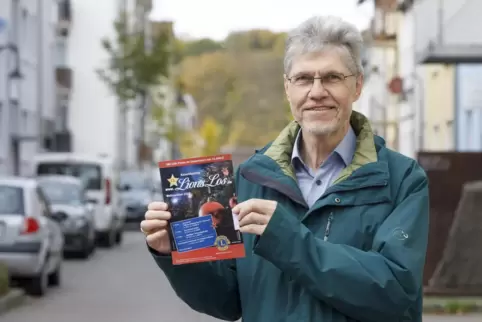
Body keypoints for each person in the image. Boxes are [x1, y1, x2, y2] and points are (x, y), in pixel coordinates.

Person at [140, 15, 429, 322]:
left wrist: (288, 239)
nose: (317, 92)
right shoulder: (251, 176)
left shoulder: (402, 180)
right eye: (304, 79)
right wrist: (174, 254)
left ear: (357, 86)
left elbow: (397, 292)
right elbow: (227, 300)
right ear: (287, 89)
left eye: (332, 77)